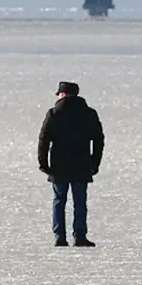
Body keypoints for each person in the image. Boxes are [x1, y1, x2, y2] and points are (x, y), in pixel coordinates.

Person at [37, 81, 104, 247]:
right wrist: (95, 163)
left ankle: (59, 237)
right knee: (80, 202)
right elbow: (98, 140)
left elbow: (44, 139)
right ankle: (80, 236)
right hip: (82, 164)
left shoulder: (54, 113)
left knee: (59, 200)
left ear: (63, 94)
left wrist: (43, 163)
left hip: (59, 165)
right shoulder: (89, 113)